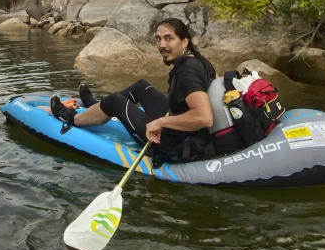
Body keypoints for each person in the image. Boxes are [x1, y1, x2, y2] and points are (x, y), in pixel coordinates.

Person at [49, 18, 217, 165]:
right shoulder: (199, 61)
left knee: (115, 100)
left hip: (178, 144)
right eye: (158, 39)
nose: (161, 45)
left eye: (169, 39)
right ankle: (99, 107)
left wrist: (160, 123)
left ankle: (71, 118)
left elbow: (204, 118)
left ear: (185, 41)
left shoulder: (187, 72)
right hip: (189, 133)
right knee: (141, 86)